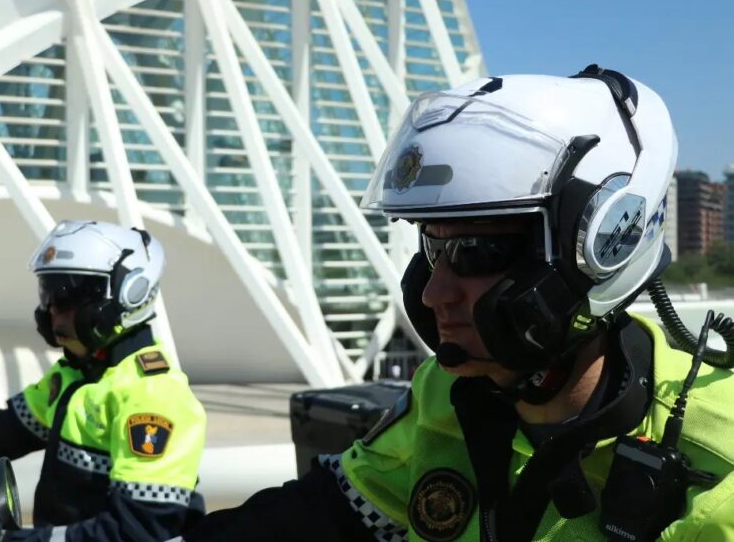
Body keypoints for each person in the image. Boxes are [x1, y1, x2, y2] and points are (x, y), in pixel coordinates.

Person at [181, 66, 734, 541]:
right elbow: (332, 512)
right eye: (433, 247)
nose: (432, 293)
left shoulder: (720, 463)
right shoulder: (449, 391)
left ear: (603, 242)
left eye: (479, 250)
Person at [0, 220, 207, 541]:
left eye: (65, 297)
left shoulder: (153, 398)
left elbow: (140, 530)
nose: (51, 312)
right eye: (47, 295)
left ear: (129, 295)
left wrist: (22, 540)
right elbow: (0, 432)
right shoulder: (76, 375)